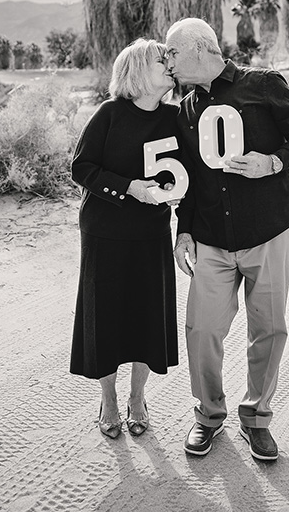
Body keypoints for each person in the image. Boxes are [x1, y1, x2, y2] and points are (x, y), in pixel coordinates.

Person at [165, 17, 289, 461]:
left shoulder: (263, 84)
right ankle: (208, 416)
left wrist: (273, 162)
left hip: (270, 228)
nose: (168, 61)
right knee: (201, 328)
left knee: (268, 328)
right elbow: (191, 180)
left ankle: (256, 418)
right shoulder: (186, 111)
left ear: (199, 49)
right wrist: (185, 232)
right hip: (212, 238)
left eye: (172, 53)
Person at [70, 38, 186, 439]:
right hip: (105, 231)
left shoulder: (175, 118)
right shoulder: (109, 114)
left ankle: (138, 398)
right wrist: (127, 188)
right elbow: (81, 167)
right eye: (161, 60)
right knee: (106, 319)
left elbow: (188, 181)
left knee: (145, 317)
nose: (169, 66)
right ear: (137, 70)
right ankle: (110, 400)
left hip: (152, 231)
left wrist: (184, 226)